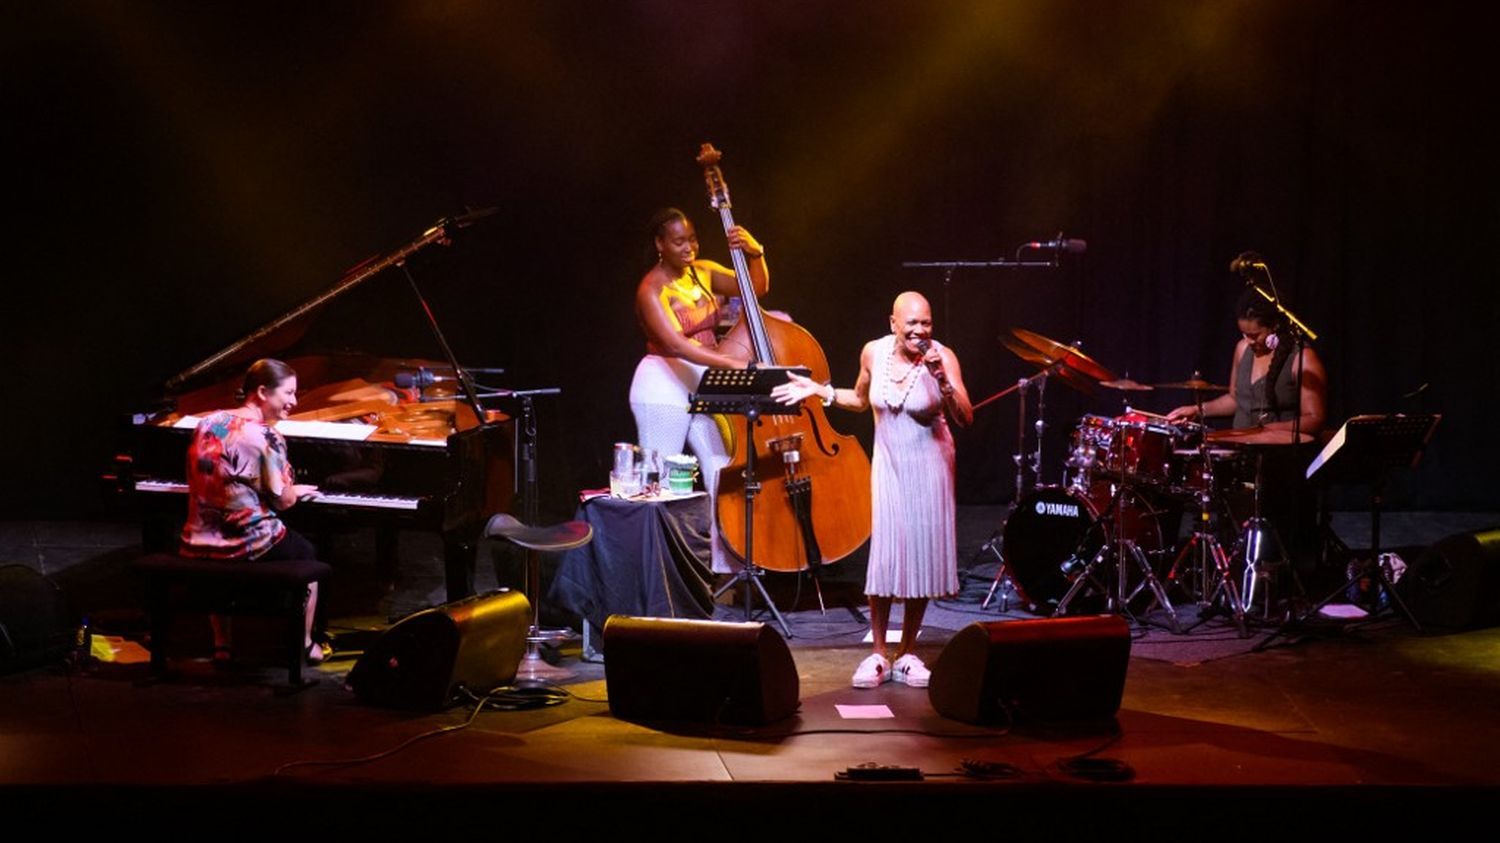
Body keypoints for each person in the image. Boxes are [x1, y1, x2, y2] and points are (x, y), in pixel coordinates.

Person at [772, 291, 972, 688]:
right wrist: (821, 392)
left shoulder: (943, 358)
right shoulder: (873, 353)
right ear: (893, 323)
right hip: (889, 465)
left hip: (930, 465)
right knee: (884, 558)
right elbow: (860, 400)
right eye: (911, 323)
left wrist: (942, 380)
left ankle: (908, 652)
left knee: (921, 557)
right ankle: (879, 653)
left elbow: (965, 416)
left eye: (926, 323)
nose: (920, 331)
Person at [629, 207, 767, 573]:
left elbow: (754, 290)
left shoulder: (702, 271)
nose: (689, 247)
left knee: (720, 470)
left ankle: (723, 571)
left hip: (702, 379)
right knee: (660, 481)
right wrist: (737, 365)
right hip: (663, 382)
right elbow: (678, 346)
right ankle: (659, 573)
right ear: (660, 245)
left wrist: (756, 252)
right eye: (679, 241)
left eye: (692, 238)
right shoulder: (651, 288)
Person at [179, 358, 325, 663]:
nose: (294, 402)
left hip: (198, 537)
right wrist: (293, 489)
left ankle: (223, 644)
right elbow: (282, 501)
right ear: (261, 391)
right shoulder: (265, 436)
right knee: (307, 551)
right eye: (288, 393)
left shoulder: (208, 422)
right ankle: (305, 644)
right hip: (246, 542)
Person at [1165, 286, 1326, 435]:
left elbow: (1314, 418)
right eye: (1244, 334)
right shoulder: (1242, 349)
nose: (1248, 341)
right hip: (1242, 450)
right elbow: (1236, 399)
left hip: (1279, 454)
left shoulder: (1302, 358)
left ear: (1274, 326)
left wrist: (1265, 431)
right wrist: (1197, 410)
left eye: (1255, 335)